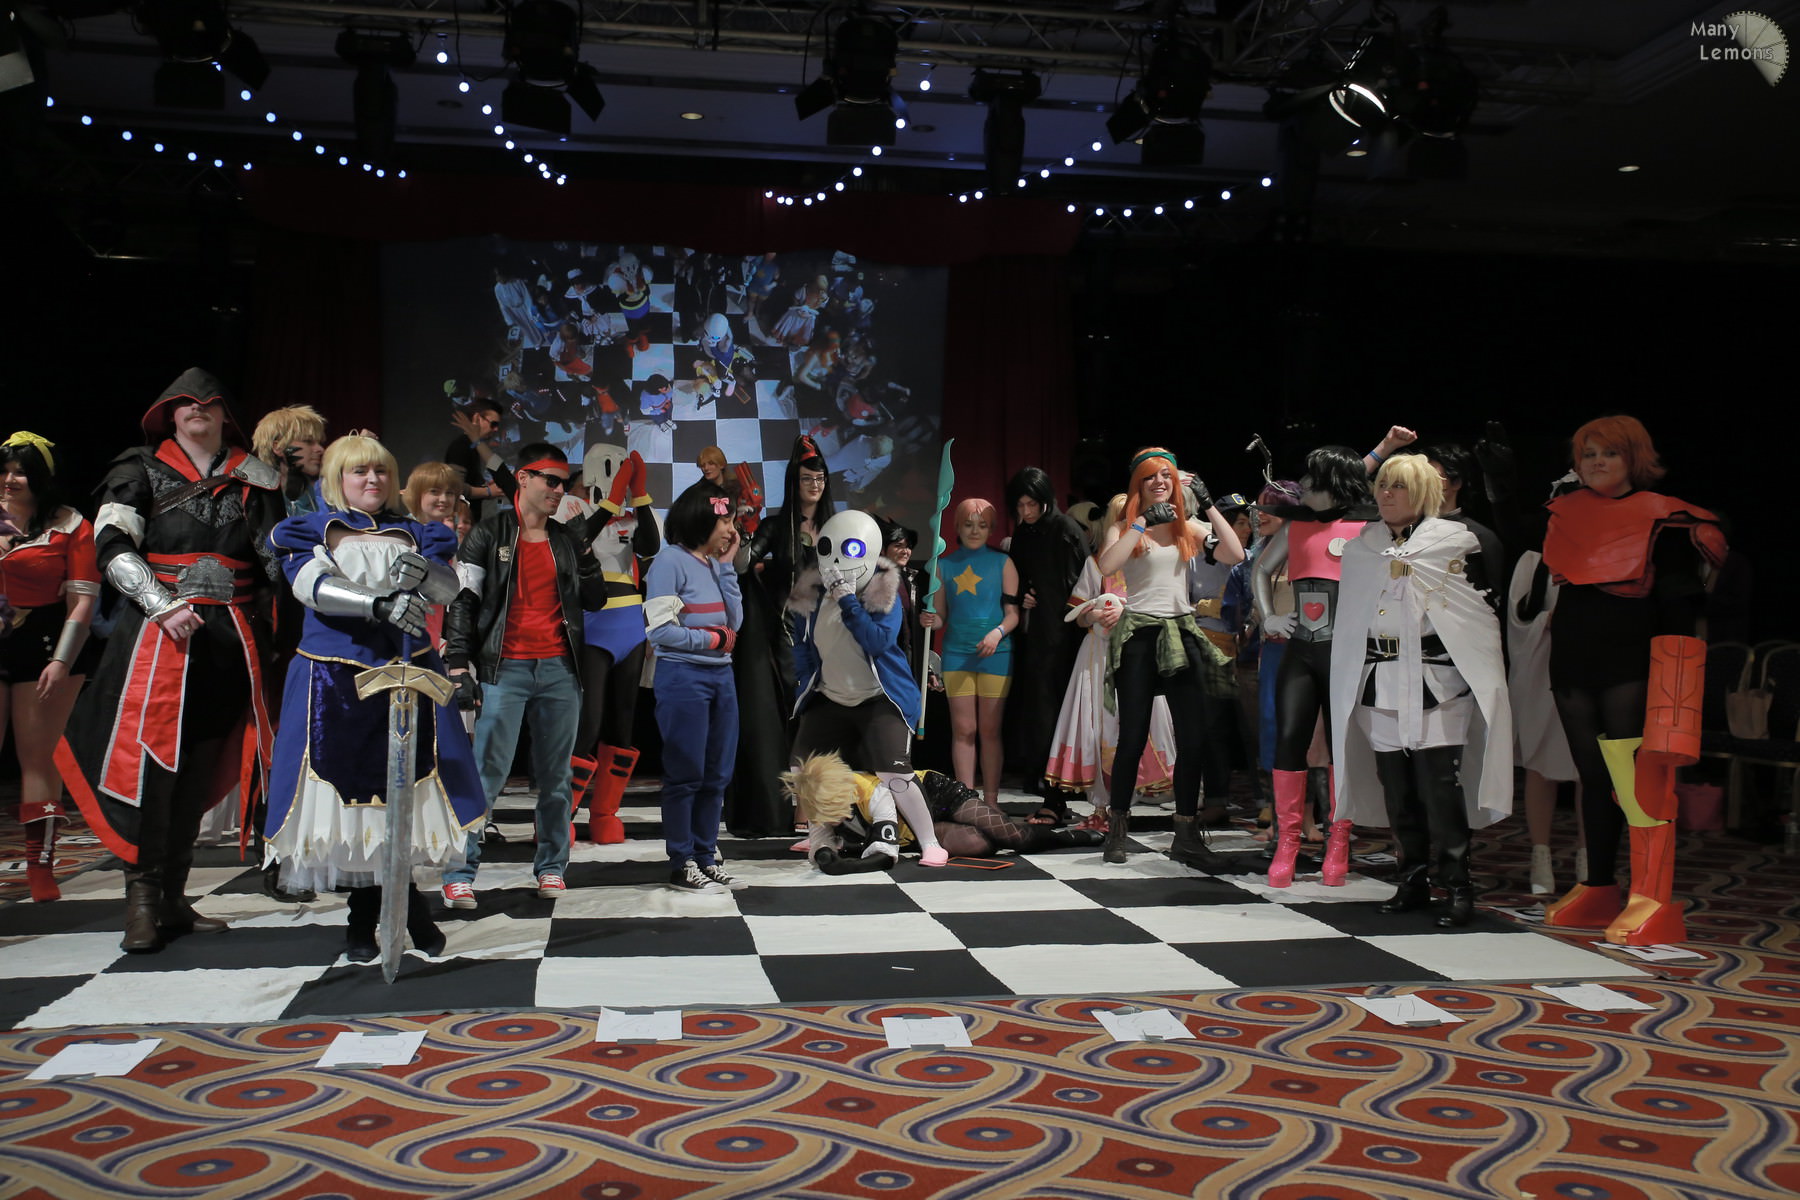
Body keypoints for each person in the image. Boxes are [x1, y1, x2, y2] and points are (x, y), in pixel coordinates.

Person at [57, 369, 285, 952]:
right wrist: (161, 605)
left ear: (225, 414)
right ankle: (142, 902)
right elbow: (112, 546)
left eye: (209, 402)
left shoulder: (256, 477)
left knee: (201, 764)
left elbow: (276, 564)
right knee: (151, 765)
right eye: (186, 402)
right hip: (158, 636)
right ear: (168, 413)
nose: (197, 408)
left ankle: (175, 900)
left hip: (231, 641)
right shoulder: (137, 469)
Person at [263, 433, 485, 962]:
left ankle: (396, 912)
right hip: (334, 680)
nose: (372, 479)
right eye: (359, 471)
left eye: (381, 471)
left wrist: (426, 575)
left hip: (409, 675)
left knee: (408, 794)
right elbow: (310, 586)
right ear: (337, 478)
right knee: (352, 799)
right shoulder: (310, 529)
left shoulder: (419, 531)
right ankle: (372, 916)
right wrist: (379, 604)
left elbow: (449, 589)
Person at [1539, 416, 1724, 945]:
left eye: (1610, 453)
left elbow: (1680, 611)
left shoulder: (1667, 519)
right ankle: (1599, 884)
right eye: (1589, 454)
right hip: (1573, 660)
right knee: (1593, 777)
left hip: (1632, 666)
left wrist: (1678, 689)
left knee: (1637, 781)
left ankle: (1651, 897)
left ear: (1634, 459)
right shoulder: (1566, 512)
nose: (1597, 462)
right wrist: (1497, 488)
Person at [1329, 454, 1511, 927]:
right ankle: (1410, 880)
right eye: (1383, 485)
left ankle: (1457, 885)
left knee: (1440, 789)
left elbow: (1477, 617)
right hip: (1380, 681)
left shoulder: (1456, 541)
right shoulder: (1363, 548)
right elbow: (1352, 618)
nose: (1387, 494)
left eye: (1400, 486)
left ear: (1425, 492)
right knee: (1398, 789)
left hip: (1439, 681)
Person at [442, 442, 605, 909]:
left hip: (560, 669)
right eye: (550, 480)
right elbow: (463, 601)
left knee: (557, 778)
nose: (559, 490)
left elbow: (594, 599)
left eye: (564, 482)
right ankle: (459, 872)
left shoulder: (565, 539)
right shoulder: (488, 533)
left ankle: (552, 867)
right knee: (486, 774)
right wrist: (458, 663)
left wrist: (585, 552)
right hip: (504, 668)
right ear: (524, 478)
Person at [1093, 449, 1244, 868]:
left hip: (1180, 630)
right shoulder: (1126, 526)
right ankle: (1117, 829)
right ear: (1138, 484)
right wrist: (1142, 521)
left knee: (1193, 737)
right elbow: (1107, 564)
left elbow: (1235, 555)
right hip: (1139, 633)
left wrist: (1208, 504)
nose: (1159, 482)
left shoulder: (1186, 526)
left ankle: (1186, 833)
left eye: (1166, 476)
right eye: (1150, 477)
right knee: (1133, 735)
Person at [787, 508, 948, 868]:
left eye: (851, 549)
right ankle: (823, 834)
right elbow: (802, 644)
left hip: (881, 697)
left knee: (894, 772)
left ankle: (930, 841)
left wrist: (847, 600)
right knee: (806, 768)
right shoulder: (811, 590)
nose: (838, 561)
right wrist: (808, 682)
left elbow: (876, 641)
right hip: (830, 696)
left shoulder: (883, 587)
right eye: (829, 548)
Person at [1252, 446, 1377, 887]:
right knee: (1290, 740)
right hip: (1300, 648)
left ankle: (1338, 842)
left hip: (1346, 652)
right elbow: (1260, 570)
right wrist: (1269, 616)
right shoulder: (1296, 524)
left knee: (1343, 747)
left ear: (1332, 482)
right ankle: (1287, 843)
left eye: (1311, 476)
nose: (1302, 484)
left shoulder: (1368, 526)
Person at [0, 432, 99, 903]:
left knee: (37, 756)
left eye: (20, 472)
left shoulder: (72, 525)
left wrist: (61, 661)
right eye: (3, 471)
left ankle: (40, 866)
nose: (9, 480)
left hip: (45, 642)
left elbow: (82, 603)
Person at [1044, 495, 1177, 819]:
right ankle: (1102, 806)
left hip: (1139, 653)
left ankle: (1125, 802)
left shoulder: (1150, 562)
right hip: (1098, 657)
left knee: (1137, 725)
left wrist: (1128, 614)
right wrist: (1092, 616)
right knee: (1099, 726)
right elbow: (1076, 612)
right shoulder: (1096, 564)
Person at [645, 481, 745, 893]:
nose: (731, 530)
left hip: (722, 676)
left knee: (717, 773)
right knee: (685, 772)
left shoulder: (713, 565)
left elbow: (735, 623)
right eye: (725, 520)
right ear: (702, 519)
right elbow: (659, 631)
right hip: (683, 676)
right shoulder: (669, 561)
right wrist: (710, 640)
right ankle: (682, 861)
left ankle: (706, 856)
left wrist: (728, 566)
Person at [731, 434, 833, 836]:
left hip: (831, 635)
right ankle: (797, 812)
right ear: (795, 481)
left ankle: (817, 809)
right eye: (807, 478)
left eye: (820, 478)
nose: (815, 485)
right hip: (790, 638)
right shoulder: (776, 526)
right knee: (800, 722)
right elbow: (742, 564)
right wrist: (746, 525)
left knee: (824, 724)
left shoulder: (836, 527)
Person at [558, 444, 658, 844]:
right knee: (588, 723)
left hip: (630, 624)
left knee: (622, 724)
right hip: (593, 623)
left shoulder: (635, 517)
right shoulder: (571, 507)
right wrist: (611, 501)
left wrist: (640, 495)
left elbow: (650, 546)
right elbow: (576, 540)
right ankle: (559, 816)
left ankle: (605, 813)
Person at [782, 751, 1102, 874]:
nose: (830, 820)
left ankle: (1067, 838)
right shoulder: (820, 800)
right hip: (911, 832)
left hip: (933, 795)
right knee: (982, 845)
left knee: (1012, 836)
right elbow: (820, 845)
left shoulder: (872, 791)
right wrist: (825, 857)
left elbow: (885, 856)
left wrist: (843, 868)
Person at [1003, 466, 1090, 821]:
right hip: (1037, 636)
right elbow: (1020, 578)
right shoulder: (1023, 533)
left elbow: (1085, 582)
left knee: (1067, 711)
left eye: (1031, 504)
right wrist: (1025, 595)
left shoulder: (1066, 528)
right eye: (1019, 505)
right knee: (1041, 712)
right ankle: (1047, 787)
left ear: (1045, 499)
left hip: (1070, 636)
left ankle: (1066, 789)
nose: (1025, 512)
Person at [921, 498, 1018, 806]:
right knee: (963, 730)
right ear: (957, 527)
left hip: (997, 655)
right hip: (956, 655)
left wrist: (997, 633)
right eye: (968, 524)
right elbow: (940, 617)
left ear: (991, 529)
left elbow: (1013, 615)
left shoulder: (1003, 563)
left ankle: (991, 803)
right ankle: (965, 804)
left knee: (990, 731)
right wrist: (930, 619)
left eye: (982, 525)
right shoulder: (944, 566)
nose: (975, 531)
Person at [250, 404, 327, 518]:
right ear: (278, 447)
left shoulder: (328, 494)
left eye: (319, 442)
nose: (320, 449)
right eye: (308, 441)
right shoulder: (256, 498)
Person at [446, 398, 509, 523]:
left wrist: (484, 487)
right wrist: (488, 491)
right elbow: (455, 487)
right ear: (477, 418)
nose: (496, 429)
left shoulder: (472, 447)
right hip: (462, 523)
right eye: (493, 424)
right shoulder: (461, 446)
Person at [402, 462, 465, 530]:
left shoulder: (450, 530)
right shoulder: (403, 530)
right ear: (416, 494)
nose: (444, 499)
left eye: (449, 493)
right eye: (434, 491)